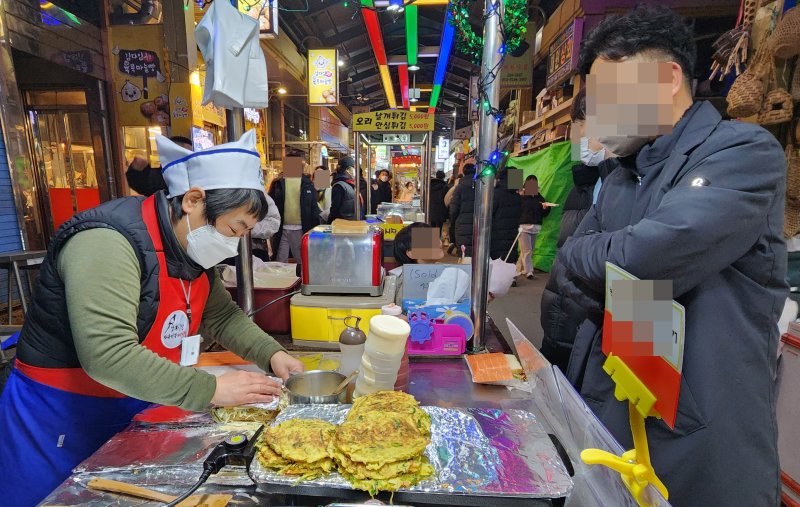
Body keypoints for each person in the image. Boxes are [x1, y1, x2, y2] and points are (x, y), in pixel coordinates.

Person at [557, 6, 787, 506]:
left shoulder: (742, 153)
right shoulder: (621, 175)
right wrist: (614, 268)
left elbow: (647, 259)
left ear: (667, 79)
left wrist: (614, 266)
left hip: (699, 436)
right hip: (615, 411)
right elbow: (568, 266)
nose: (597, 115)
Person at [0, 131, 304, 506]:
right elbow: (108, 355)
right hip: (61, 415)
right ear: (194, 201)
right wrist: (212, 390)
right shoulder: (106, 242)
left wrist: (273, 354)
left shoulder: (190, 245)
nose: (233, 242)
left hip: (139, 400)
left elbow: (222, 316)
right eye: (233, 229)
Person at [539, 88, 618, 371]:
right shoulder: (585, 181)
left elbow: (641, 275)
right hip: (566, 325)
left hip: (599, 339)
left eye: (577, 126)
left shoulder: (633, 186)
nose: (574, 137)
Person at [268, 162, 321, 263]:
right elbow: (270, 203)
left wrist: (315, 228)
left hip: (300, 228)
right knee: (281, 260)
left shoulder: (307, 184)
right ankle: (286, 278)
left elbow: (313, 208)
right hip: (280, 228)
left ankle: (301, 278)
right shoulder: (278, 183)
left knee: (300, 260)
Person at [125, 135, 193, 196]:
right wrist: (136, 170)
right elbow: (141, 183)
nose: (190, 159)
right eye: (185, 154)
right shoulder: (158, 178)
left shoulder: (192, 176)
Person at [517, 175, 550, 279]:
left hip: (535, 227)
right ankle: (529, 271)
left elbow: (544, 214)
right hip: (523, 227)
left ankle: (518, 269)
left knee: (526, 250)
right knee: (527, 250)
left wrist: (545, 208)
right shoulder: (520, 197)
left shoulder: (540, 198)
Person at [489, 166, 522, 263]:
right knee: (509, 262)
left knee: (496, 266)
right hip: (512, 236)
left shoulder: (495, 194)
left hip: (496, 238)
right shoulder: (517, 197)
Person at [449, 163, 476, 256]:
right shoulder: (483, 185)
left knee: (464, 253)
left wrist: (453, 222)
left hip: (462, 224)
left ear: (463, 172)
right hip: (479, 223)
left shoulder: (460, 187)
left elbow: (453, 208)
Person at [327, 156, 363, 222]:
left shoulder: (351, 184)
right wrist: (329, 223)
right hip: (343, 225)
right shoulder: (339, 186)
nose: (355, 170)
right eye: (354, 168)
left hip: (351, 223)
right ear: (348, 170)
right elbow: (335, 209)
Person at [428, 170, 449, 234]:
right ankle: (437, 241)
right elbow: (447, 199)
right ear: (443, 177)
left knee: (432, 226)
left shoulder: (429, 185)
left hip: (431, 209)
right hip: (441, 210)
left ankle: (432, 242)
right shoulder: (445, 186)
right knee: (439, 228)